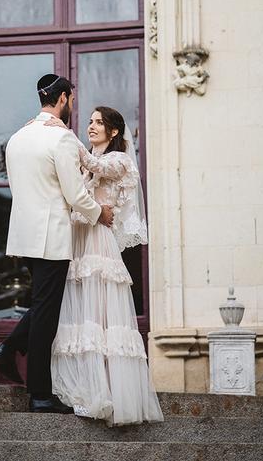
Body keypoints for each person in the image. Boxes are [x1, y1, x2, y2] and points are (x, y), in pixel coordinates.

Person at [0, 75, 115, 414]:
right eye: (71, 99)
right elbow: (75, 194)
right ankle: (40, 394)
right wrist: (99, 214)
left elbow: (20, 186)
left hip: (24, 235)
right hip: (51, 235)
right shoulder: (61, 138)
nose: (73, 105)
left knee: (44, 305)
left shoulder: (18, 137)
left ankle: (9, 347)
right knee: (47, 313)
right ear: (62, 99)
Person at [48, 106, 163, 426]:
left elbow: (96, 163)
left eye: (99, 122)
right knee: (82, 311)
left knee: (100, 312)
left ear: (114, 132)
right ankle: (87, 386)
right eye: (90, 121)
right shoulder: (85, 164)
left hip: (98, 240)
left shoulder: (119, 160)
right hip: (78, 239)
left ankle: (110, 390)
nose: (91, 126)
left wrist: (64, 134)